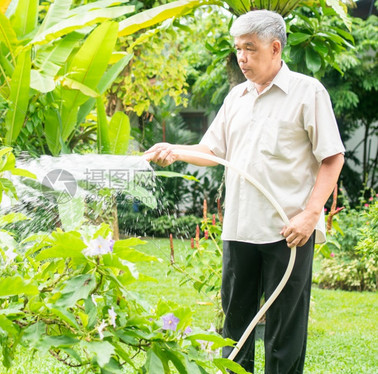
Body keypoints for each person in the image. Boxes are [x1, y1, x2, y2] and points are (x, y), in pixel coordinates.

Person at [144, 10, 345, 374]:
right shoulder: (236, 96)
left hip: (289, 232)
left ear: (275, 47)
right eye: (238, 49)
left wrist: (311, 214)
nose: (242, 57)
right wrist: (174, 150)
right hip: (239, 229)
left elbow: (332, 157)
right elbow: (212, 152)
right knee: (234, 331)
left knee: (284, 333)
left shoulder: (307, 92)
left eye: (250, 49)